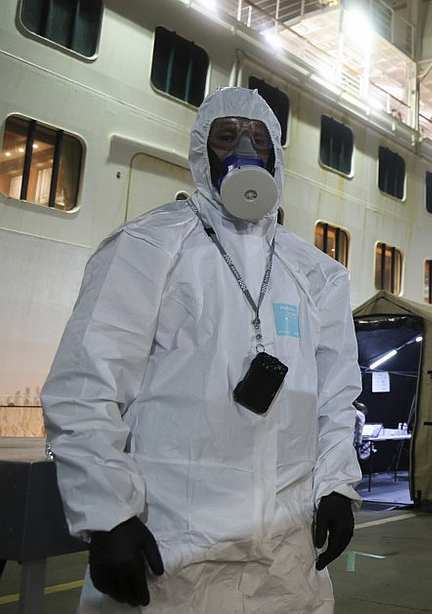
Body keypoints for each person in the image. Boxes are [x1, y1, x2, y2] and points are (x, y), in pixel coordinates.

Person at [42, 87, 362, 612]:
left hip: (286, 562)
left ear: (276, 156)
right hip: (172, 555)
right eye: (227, 136)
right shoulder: (150, 247)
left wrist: (337, 486)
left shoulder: (316, 274)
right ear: (201, 151)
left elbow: (335, 396)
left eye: (258, 138)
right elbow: (85, 383)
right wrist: (107, 515)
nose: (244, 148)